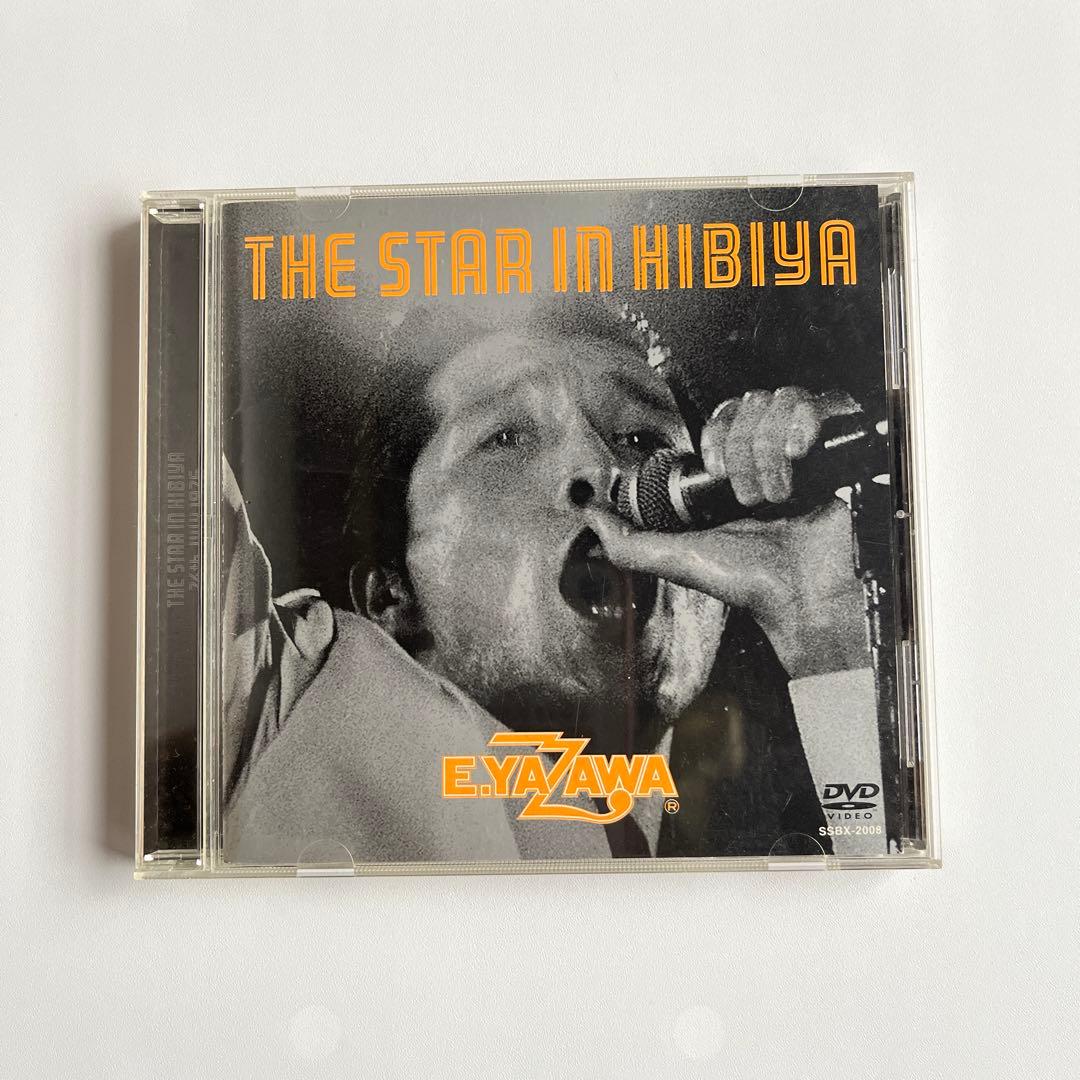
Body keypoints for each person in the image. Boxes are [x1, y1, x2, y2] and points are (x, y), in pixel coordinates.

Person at [222, 301, 882, 865]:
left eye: (640, 438)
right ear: (393, 596)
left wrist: (822, 628)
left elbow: (890, 938)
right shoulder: (284, 689)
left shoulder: (749, 880)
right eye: (506, 437)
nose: (599, 465)